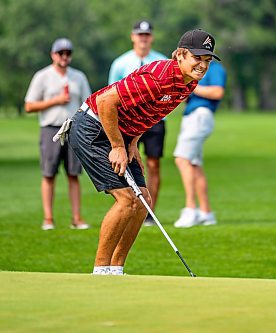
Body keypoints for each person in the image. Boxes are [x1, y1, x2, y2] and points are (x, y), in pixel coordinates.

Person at [62, 29, 220, 275]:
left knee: (143, 199)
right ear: (180, 54)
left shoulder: (189, 83)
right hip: (92, 126)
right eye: (197, 58)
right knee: (126, 199)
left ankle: (116, 268)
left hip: (121, 134)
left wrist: (132, 142)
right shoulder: (159, 76)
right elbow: (105, 102)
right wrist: (117, 146)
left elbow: (152, 111)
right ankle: (100, 271)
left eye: (207, 60)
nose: (202, 65)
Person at [24, 37, 92, 231]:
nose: (64, 57)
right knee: (49, 174)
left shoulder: (78, 76)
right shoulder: (42, 76)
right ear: (53, 54)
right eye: (60, 53)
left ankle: (77, 218)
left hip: (73, 130)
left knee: (73, 174)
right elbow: (29, 105)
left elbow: (87, 103)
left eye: (67, 53)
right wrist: (56, 100)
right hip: (50, 129)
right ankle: (48, 218)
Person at [108, 20, 168, 227]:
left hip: (155, 121)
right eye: (139, 35)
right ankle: (128, 206)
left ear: (151, 37)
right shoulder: (120, 63)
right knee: (125, 164)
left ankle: (149, 213)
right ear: (133, 37)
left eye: (147, 35)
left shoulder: (161, 61)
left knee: (153, 164)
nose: (143, 38)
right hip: (128, 122)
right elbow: (109, 95)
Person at [173, 61, 227, 228]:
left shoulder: (215, 68)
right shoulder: (195, 69)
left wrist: (192, 86)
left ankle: (190, 209)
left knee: (182, 159)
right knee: (195, 164)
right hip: (192, 115)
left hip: (200, 115)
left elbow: (218, 92)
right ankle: (206, 212)